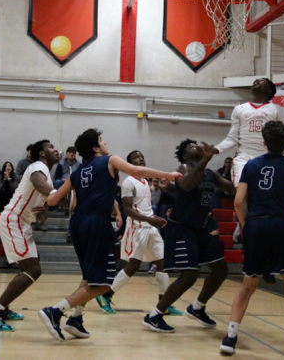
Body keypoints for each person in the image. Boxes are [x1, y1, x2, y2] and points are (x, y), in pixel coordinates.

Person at [38, 129, 181, 342]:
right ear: (96, 148)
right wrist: (167, 174)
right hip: (97, 222)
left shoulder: (76, 172)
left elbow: (51, 200)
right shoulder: (109, 160)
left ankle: (75, 319)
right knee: (103, 284)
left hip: (77, 222)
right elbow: (135, 170)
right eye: (101, 140)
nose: (105, 142)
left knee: (88, 277)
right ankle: (55, 311)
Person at [219, 121, 284, 358]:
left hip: (256, 225)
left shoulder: (251, 165)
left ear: (264, 141)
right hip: (280, 224)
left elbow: (238, 202)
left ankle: (230, 337)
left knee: (248, 285)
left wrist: (244, 224)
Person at [143, 139, 234, 334]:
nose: (197, 146)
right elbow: (186, 185)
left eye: (197, 145)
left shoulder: (212, 173)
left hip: (200, 228)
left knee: (220, 270)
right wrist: (206, 160)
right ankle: (154, 316)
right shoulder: (183, 167)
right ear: (185, 155)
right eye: (191, 146)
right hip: (181, 227)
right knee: (189, 275)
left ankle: (197, 307)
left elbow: (231, 189)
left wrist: (244, 173)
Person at [213, 78, 284, 243]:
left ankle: (261, 230)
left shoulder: (276, 109)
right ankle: (244, 231)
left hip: (267, 155)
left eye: (260, 81)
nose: (255, 81)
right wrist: (215, 149)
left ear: (269, 90)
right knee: (242, 195)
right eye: (255, 80)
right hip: (244, 156)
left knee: (265, 195)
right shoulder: (239, 109)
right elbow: (232, 138)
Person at [0, 139, 60, 331]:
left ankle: (3, 307)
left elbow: (42, 205)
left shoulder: (47, 173)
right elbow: (40, 185)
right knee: (32, 270)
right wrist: (62, 194)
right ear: (41, 153)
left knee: (29, 269)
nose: (56, 150)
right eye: (50, 147)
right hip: (13, 220)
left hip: (23, 223)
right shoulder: (37, 167)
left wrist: (44, 212)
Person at [95, 150, 183, 316]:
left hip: (150, 227)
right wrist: (149, 220)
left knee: (162, 263)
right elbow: (128, 210)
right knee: (133, 265)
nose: (141, 158)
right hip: (136, 228)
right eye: (137, 157)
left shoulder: (144, 180)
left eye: (142, 156)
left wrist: (155, 217)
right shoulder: (128, 183)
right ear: (130, 163)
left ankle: (163, 303)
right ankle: (106, 295)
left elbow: (144, 207)